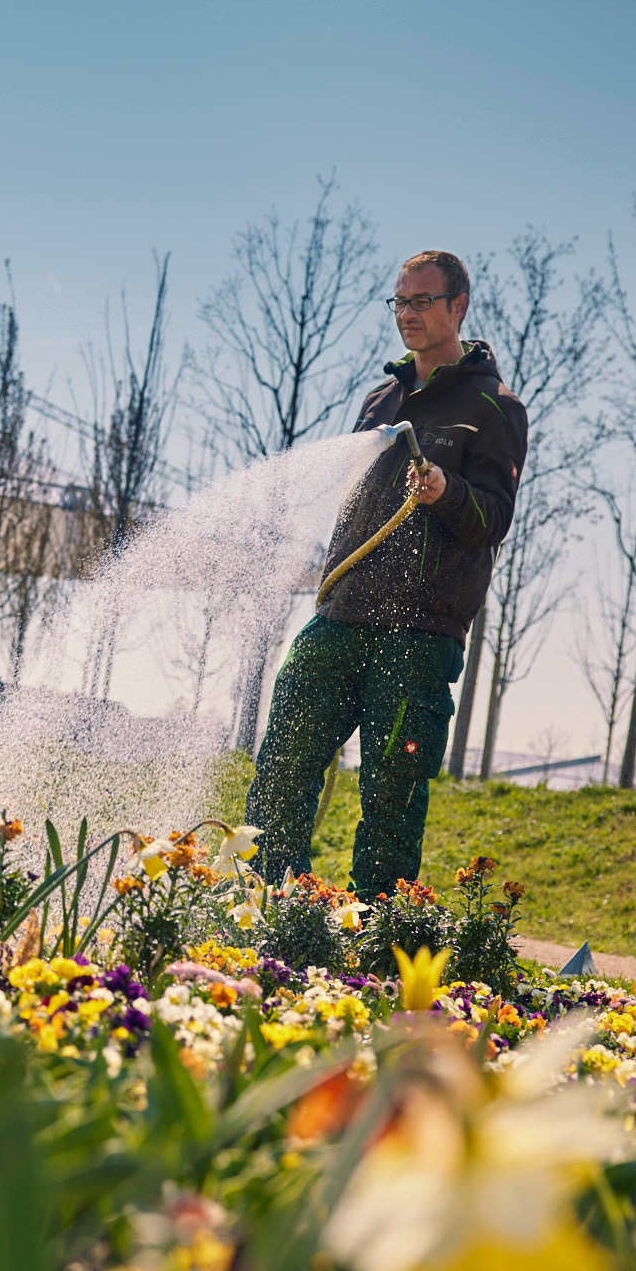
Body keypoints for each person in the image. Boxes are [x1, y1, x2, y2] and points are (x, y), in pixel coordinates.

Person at [242, 250, 530, 899]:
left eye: (422, 301)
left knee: (390, 798)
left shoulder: (494, 406)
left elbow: (495, 516)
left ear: (458, 306)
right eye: (400, 302)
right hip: (340, 617)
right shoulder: (382, 399)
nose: (408, 314)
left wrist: (445, 491)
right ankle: (259, 909)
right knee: (282, 766)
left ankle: (374, 945)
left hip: (420, 636)